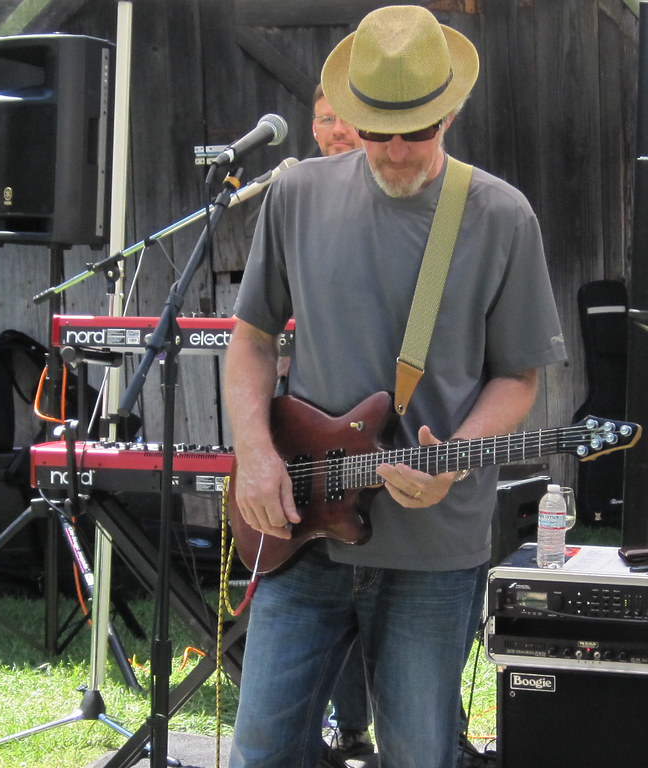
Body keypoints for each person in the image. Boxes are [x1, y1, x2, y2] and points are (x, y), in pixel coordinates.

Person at [223, 7, 566, 768]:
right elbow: (249, 340)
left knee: (418, 755)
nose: (398, 150)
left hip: (434, 554)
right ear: (349, 115)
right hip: (299, 533)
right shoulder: (296, 195)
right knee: (259, 754)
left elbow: (518, 376)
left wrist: (459, 456)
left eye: (420, 131)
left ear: (451, 110)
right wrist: (253, 452)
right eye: (379, 132)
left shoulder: (500, 215)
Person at [307, 82, 376, 764]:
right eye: (324, 120)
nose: (335, 132)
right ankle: (346, 725)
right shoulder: (297, 203)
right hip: (317, 439)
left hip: (388, 436)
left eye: (349, 121)